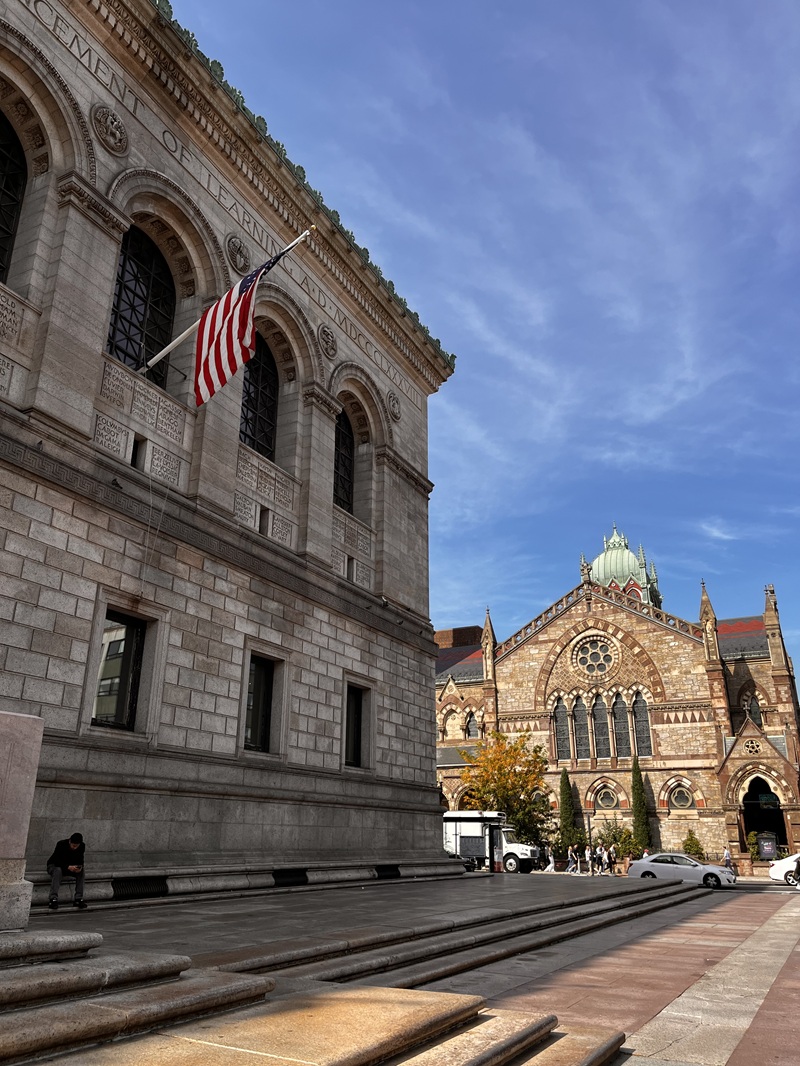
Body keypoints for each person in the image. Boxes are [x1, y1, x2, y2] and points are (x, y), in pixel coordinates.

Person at [47, 832, 87, 910]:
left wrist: (79, 867)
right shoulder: (61, 844)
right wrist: (68, 867)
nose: (74, 848)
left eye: (76, 846)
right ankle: (53, 898)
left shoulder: (82, 846)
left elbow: (81, 859)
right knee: (58, 871)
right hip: (55, 866)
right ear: (69, 841)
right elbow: (56, 861)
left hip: (70, 867)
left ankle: (78, 898)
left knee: (81, 872)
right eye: (73, 845)